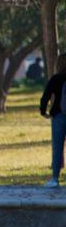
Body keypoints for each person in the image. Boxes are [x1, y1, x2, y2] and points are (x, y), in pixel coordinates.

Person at [39, 54, 66, 188]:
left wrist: (43, 111)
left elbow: (46, 96)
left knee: (58, 148)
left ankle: (55, 178)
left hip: (59, 116)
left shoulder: (56, 79)